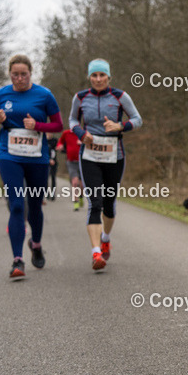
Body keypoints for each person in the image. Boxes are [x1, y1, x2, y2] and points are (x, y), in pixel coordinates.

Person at [0, 54, 63, 279]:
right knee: (17, 205)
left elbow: (57, 124)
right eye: (15, 74)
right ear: (10, 74)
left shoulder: (44, 95)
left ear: (31, 73)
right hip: (9, 154)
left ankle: (36, 244)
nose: (19, 78)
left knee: (36, 205)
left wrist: (36, 125)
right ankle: (17, 260)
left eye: (23, 74)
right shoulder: (0, 95)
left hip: (37, 156)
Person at [69, 59, 143, 271]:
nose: (98, 79)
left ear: (109, 77)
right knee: (95, 202)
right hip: (89, 156)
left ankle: (106, 238)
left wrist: (120, 125)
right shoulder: (80, 97)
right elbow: (72, 120)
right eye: (94, 75)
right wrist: (81, 133)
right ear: (89, 77)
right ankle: (96, 254)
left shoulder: (120, 96)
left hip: (114, 155)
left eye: (102, 75)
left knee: (109, 204)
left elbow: (138, 119)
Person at [56, 128, 84, 210]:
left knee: (82, 184)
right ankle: (76, 204)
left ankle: (81, 196)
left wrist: (83, 143)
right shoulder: (66, 133)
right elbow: (60, 142)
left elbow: (90, 143)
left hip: (82, 162)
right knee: (75, 182)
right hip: (71, 161)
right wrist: (60, 146)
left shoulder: (82, 133)